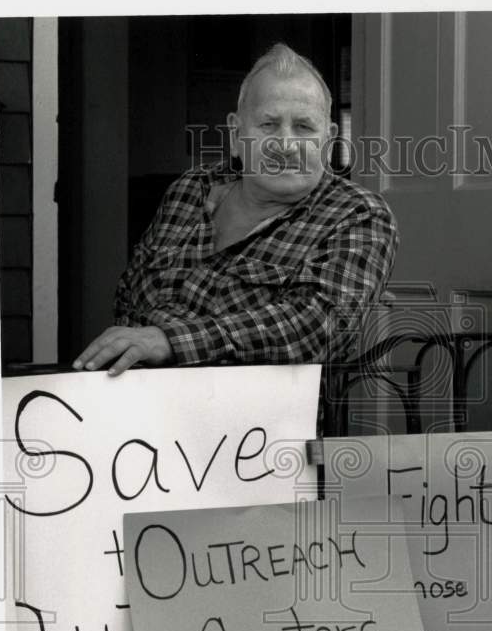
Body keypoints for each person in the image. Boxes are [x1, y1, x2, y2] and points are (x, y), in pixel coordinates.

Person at [73, 43, 398, 381]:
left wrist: (169, 341)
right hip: (138, 402)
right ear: (237, 133)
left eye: (304, 127)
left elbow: (319, 326)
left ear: (329, 140)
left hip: (261, 424)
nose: (285, 144)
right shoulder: (190, 190)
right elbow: (129, 295)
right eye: (268, 125)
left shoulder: (358, 215)